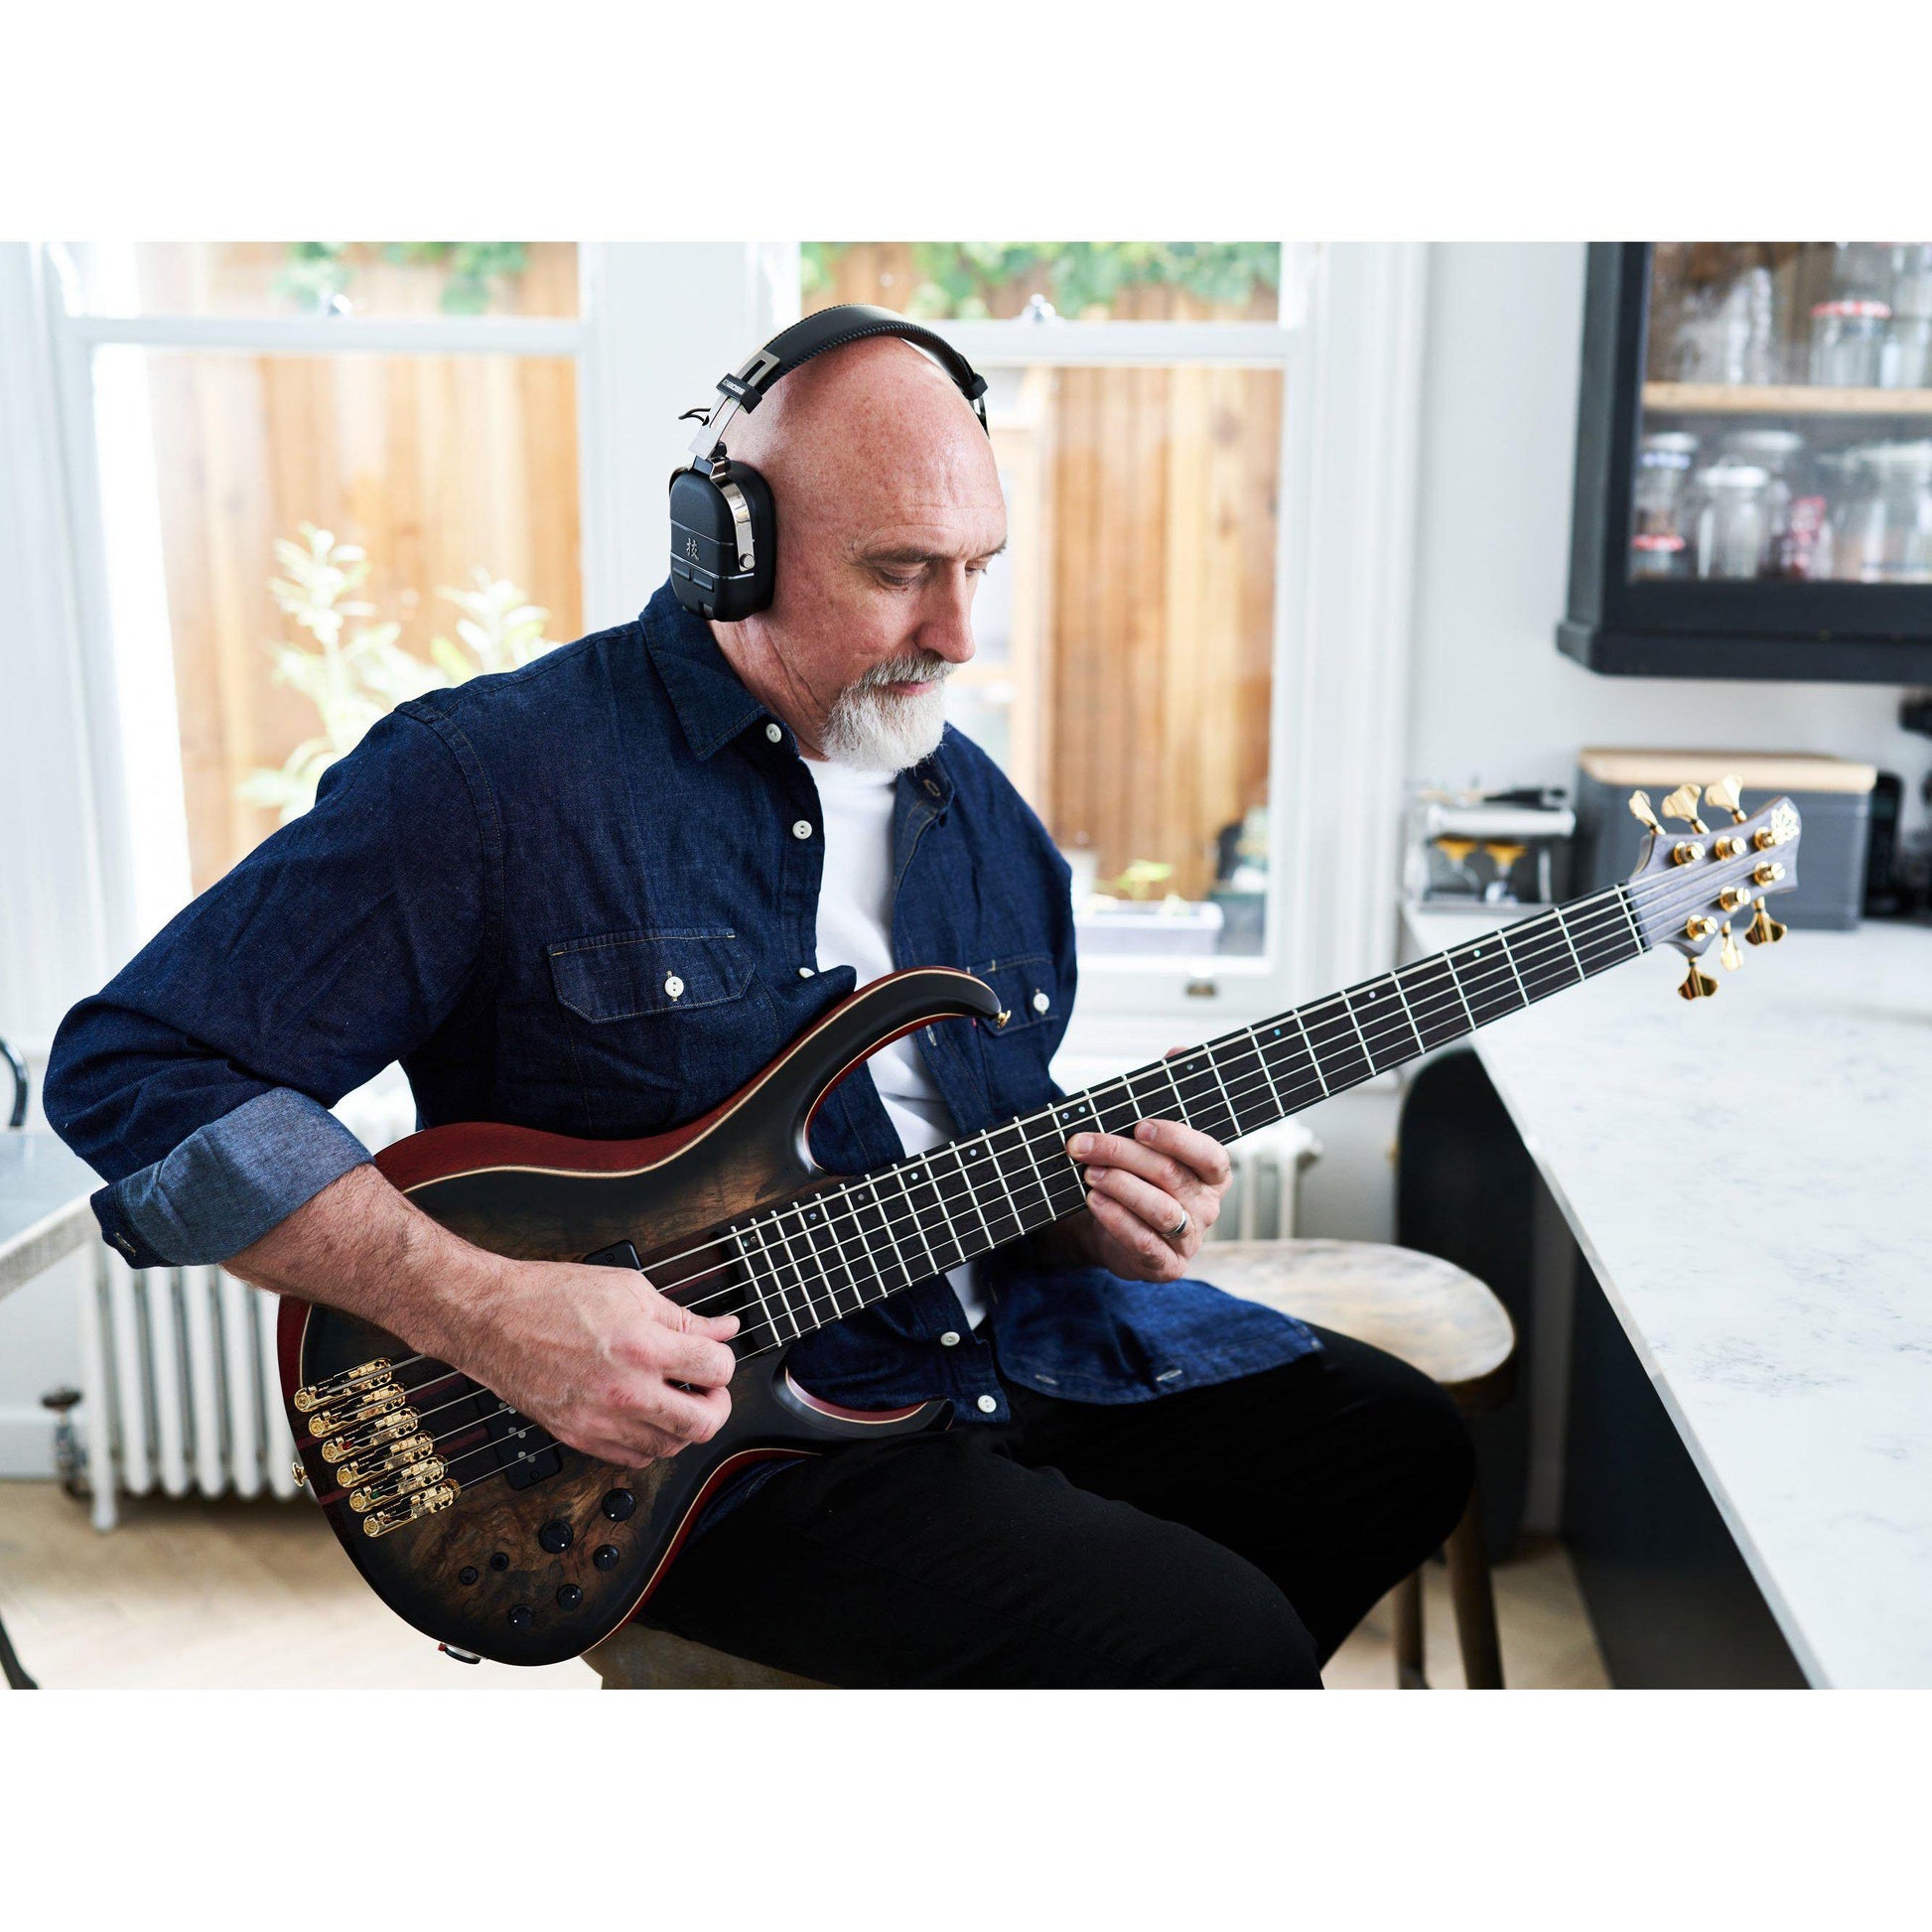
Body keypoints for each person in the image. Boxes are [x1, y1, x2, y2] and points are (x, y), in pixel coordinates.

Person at [45, 310, 1471, 1688]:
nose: (957, 633)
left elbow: (979, 1116)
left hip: (1001, 1349)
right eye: (900, 570)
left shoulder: (984, 819)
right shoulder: (492, 783)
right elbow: (137, 1068)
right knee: (1221, 1647)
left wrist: (1079, 1209)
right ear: (728, 546)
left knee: (1403, 1453)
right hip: (712, 1458)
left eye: (979, 566)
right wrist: (485, 1312)